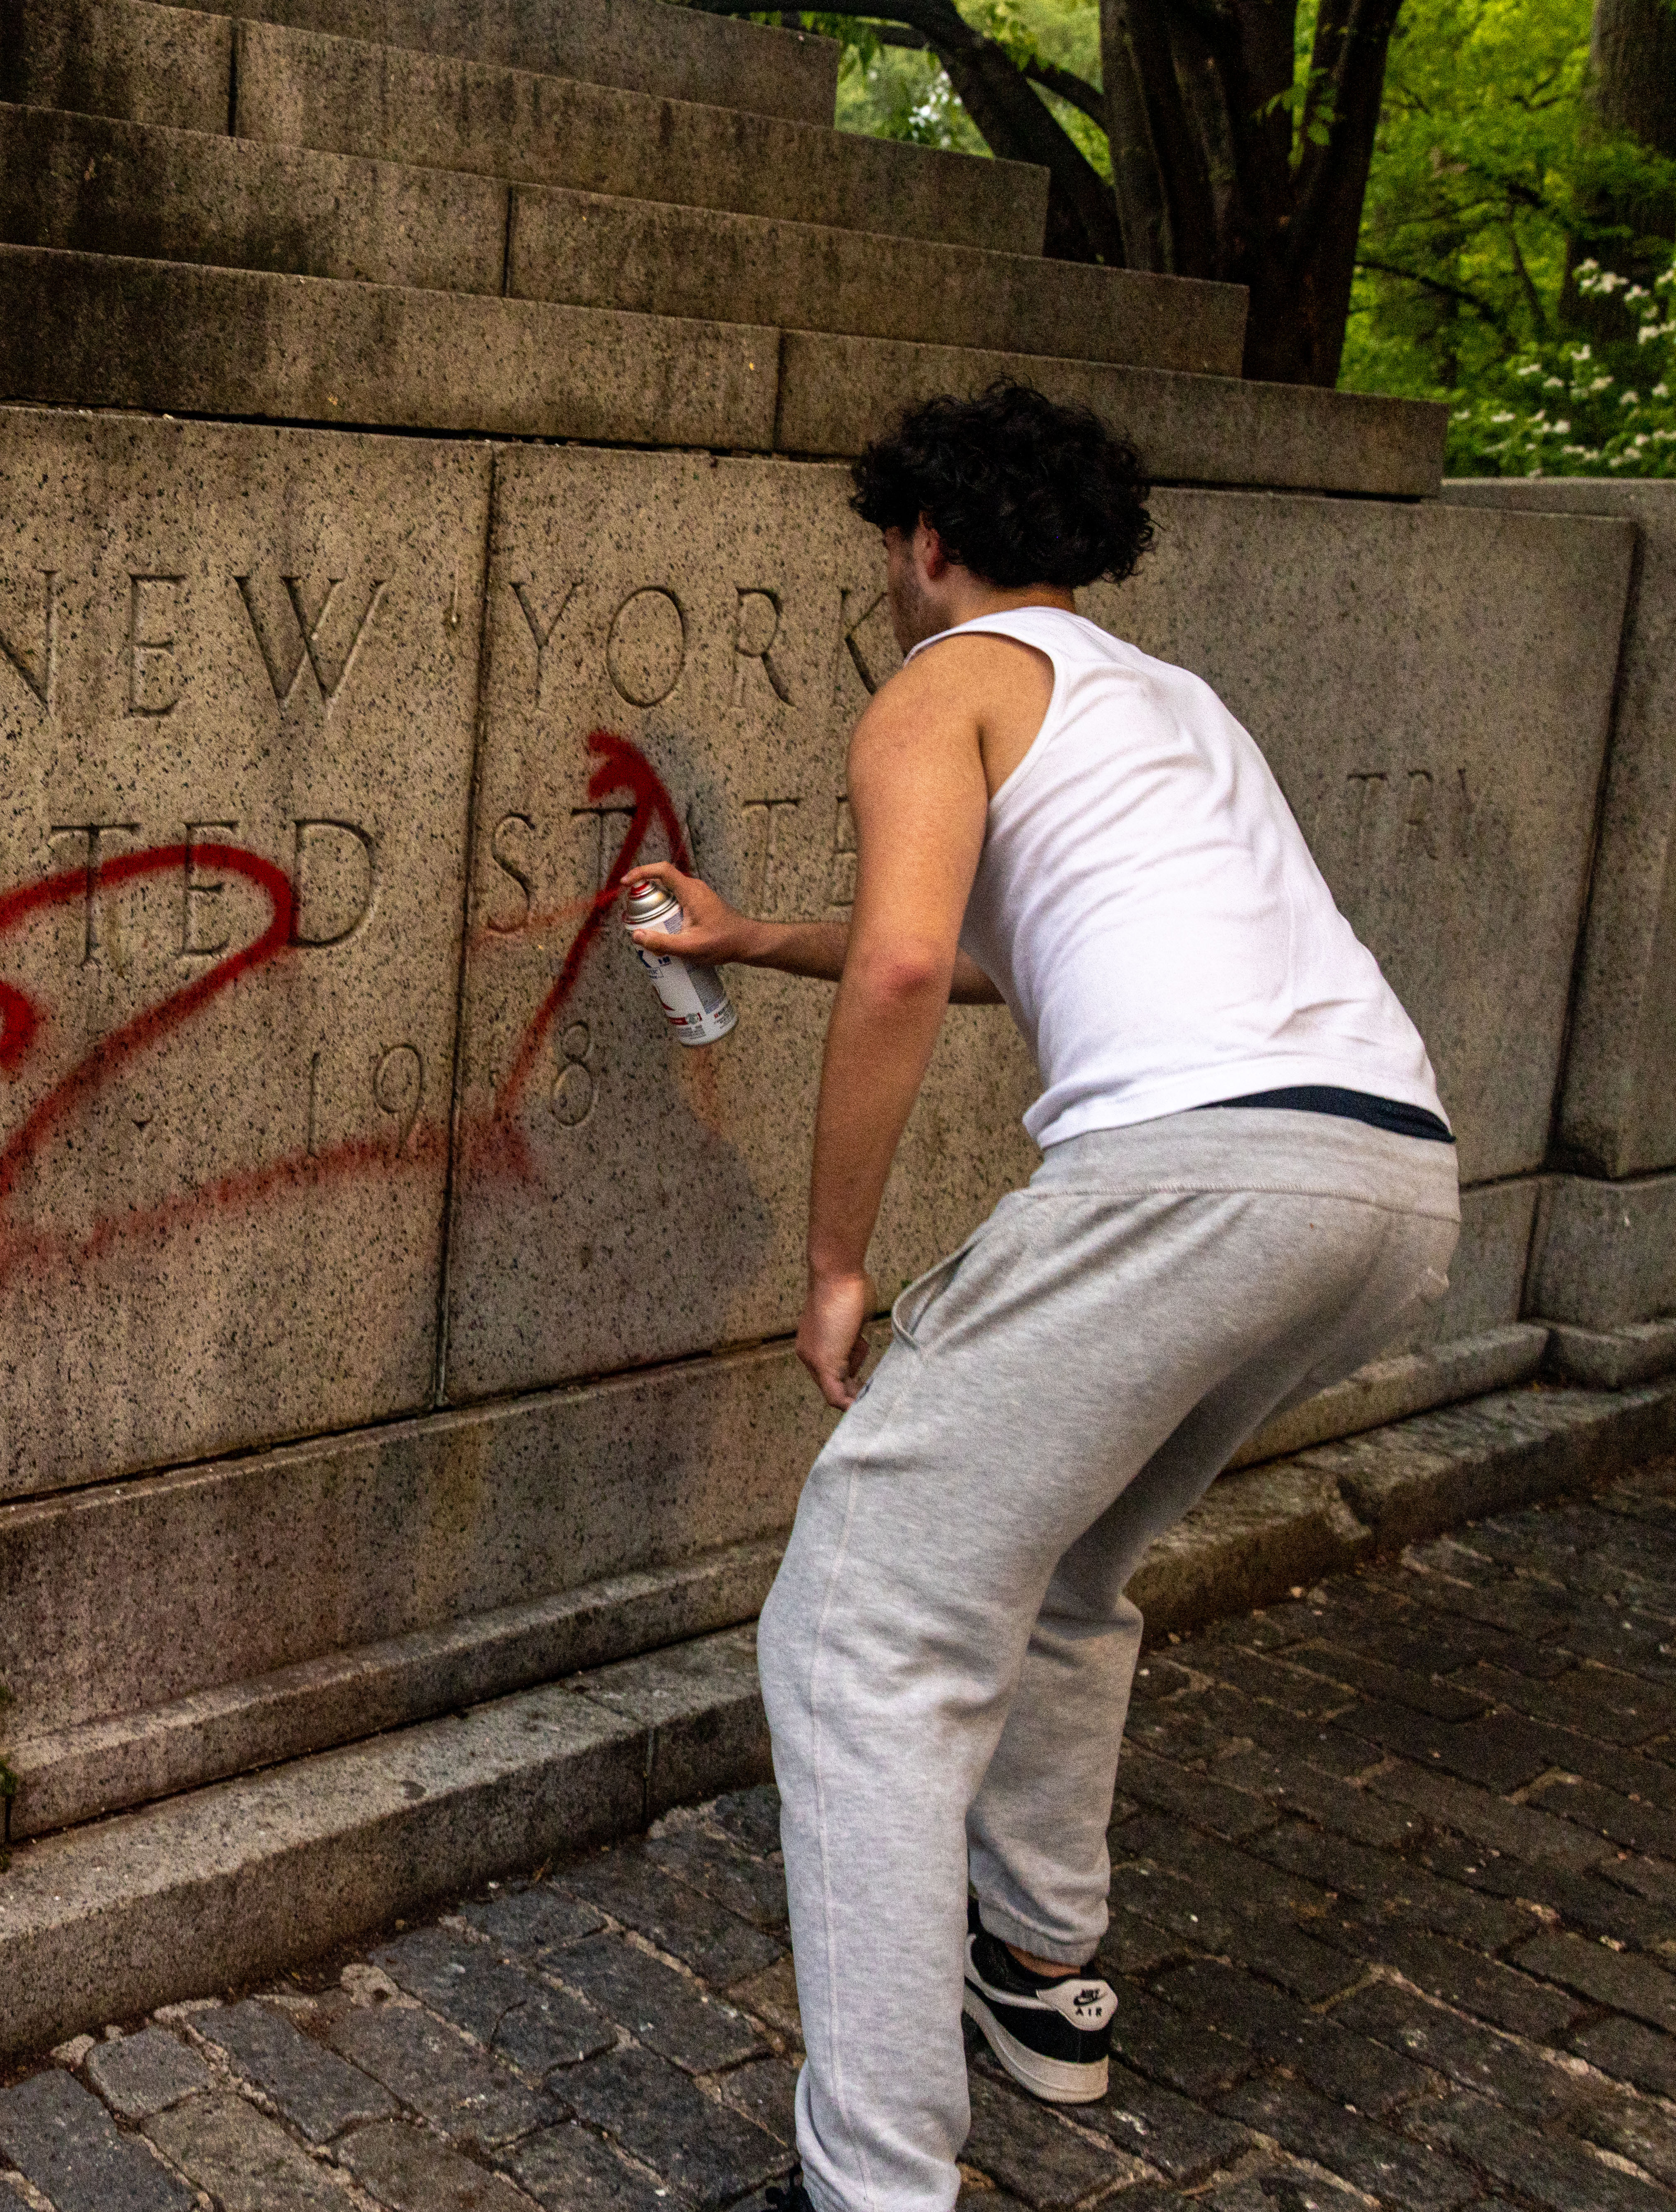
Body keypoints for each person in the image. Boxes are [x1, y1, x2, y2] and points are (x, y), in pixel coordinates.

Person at [622, 382, 1459, 2212]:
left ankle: (877, 2183)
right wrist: (750, 935)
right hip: (1388, 1181)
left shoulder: (942, 681)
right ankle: (1041, 1970)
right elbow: (1005, 947)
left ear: (925, 541)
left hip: (1191, 1176)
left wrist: (837, 1260)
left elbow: (917, 961)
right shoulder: (1170, 703)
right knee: (1072, 1574)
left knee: (859, 1633)